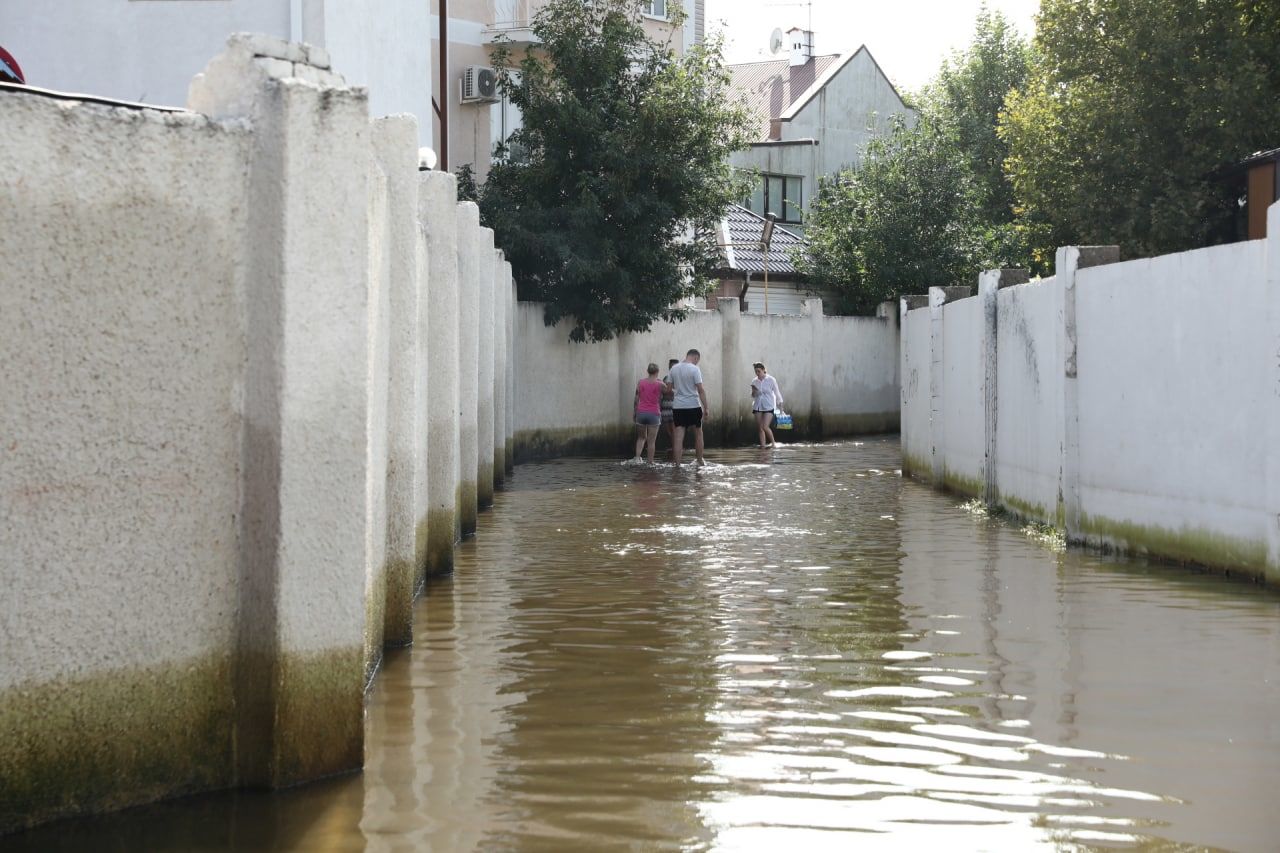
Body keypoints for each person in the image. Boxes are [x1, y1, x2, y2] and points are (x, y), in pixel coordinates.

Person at [668, 349, 709, 466]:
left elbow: (669, 389)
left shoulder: (673, 369)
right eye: (697, 361)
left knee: (678, 436)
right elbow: (700, 390)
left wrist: (679, 392)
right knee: (698, 434)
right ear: (696, 357)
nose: (696, 363)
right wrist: (706, 408)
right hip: (693, 405)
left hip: (678, 407)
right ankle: (699, 460)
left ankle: (677, 464)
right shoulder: (695, 369)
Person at [632, 363, 664, 464]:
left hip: (641, 413)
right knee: (651, 441)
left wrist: (635, 412)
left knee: (641, 437)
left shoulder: (640, 382)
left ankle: (637, 458)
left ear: (647, 371)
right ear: (657, 372)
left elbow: (636, 399)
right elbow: (669, 390)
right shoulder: (660, 384)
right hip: (654, 414)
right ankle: (650, 462)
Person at [750, 362, 784, 448]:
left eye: (759, 371)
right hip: (758, 405)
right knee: (760, 428)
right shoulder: (754, 381)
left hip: (769, 405)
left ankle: (773, 443)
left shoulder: (771, 380)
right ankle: (763, 446)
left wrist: (781, 407)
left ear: (763, 370)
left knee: (765, 426)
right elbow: (753, 395)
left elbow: (777, 393)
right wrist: (754, 392)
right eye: (756, 371)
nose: (757, 373)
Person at [659, 357, 678, 453]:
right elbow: (663, 391)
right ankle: (674, 446)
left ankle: (676, 448)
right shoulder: (666, 378)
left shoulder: (679, 378)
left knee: (674, 429)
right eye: (671, 366)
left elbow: (669, 391)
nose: (672, 368)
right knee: (668, 430)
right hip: (665, 407)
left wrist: (668, 390)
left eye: (674, 366)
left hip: (675, 407)